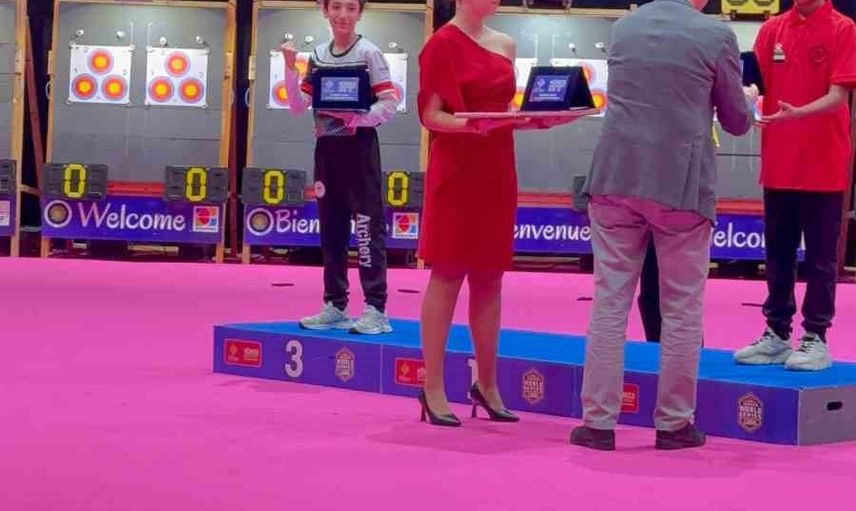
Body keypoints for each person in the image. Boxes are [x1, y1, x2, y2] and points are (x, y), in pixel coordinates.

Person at [569, 0, 756, 450]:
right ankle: (674, 424)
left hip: (615, 178)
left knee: (609, 304)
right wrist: (748, 99)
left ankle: (597, 423)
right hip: (680, 187)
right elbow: (736, 122)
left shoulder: (623, 28)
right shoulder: (716, 36)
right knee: (681, 308)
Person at [416, 0, 577, 426]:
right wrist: (472, 126)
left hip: (497, 166)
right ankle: (433, 386)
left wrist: (537, 120)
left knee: (490, 276)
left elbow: (505, 113)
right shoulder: (441, 44)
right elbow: (431, 115)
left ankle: (487, 384)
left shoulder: (505, 43)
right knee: (447, 272)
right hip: (456, 167)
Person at [733, 0, 856, 371]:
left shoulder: (843, 28)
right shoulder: (772, 28)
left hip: (823, 165)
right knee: (778, 255)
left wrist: (798, 114)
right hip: (779, 163)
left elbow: (840, 95)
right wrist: (747, 97)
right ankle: (776, 332)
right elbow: (754, 81)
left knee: (821, 259)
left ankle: (816, 337)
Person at [280, 0, 399, 335]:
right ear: (325, 10)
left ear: (360, 12)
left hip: (360, 149)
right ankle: (335, 304)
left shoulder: (370, 53)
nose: (343, 15)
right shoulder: (317, 56)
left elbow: (389, 103)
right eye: (336, 7)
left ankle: (376, 309)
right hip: (327, 150)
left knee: (367, 229)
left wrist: (356, 118)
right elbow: (298, 106)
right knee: (331, 229)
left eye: (350, 8)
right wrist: (289, 68)